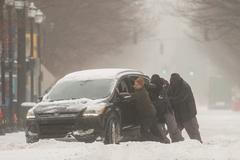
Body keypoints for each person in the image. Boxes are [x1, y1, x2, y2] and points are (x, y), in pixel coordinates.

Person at [131, 77, 170, 143]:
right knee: (154, 130)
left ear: (141, 85)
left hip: (148, 114)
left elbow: (134, 96)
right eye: (134, 84)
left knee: (144, 132)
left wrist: (126, 94)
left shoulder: (142, 93)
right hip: (150, 113)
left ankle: (159, 141)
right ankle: (163, 140)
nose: (134, 86)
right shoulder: (140, 90)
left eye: (136, 85)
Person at [168, 73, 202, 143]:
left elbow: (180, 98)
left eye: (174, 81)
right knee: (175, 135)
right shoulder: (171, 87)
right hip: (178, 115)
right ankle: (177, 145)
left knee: (195, 136)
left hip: (188, 115)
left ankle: (199, 147)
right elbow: (169, 96)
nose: (173, 83)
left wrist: (169, 100)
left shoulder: (185, 86)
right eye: (172, 81)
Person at [149, 74, 184, 143]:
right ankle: (177, 142)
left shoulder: (159, 88)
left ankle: (166, 141)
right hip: (167, 110)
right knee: (173, 130)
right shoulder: (165, 86)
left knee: (161, 131)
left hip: (161, 112)